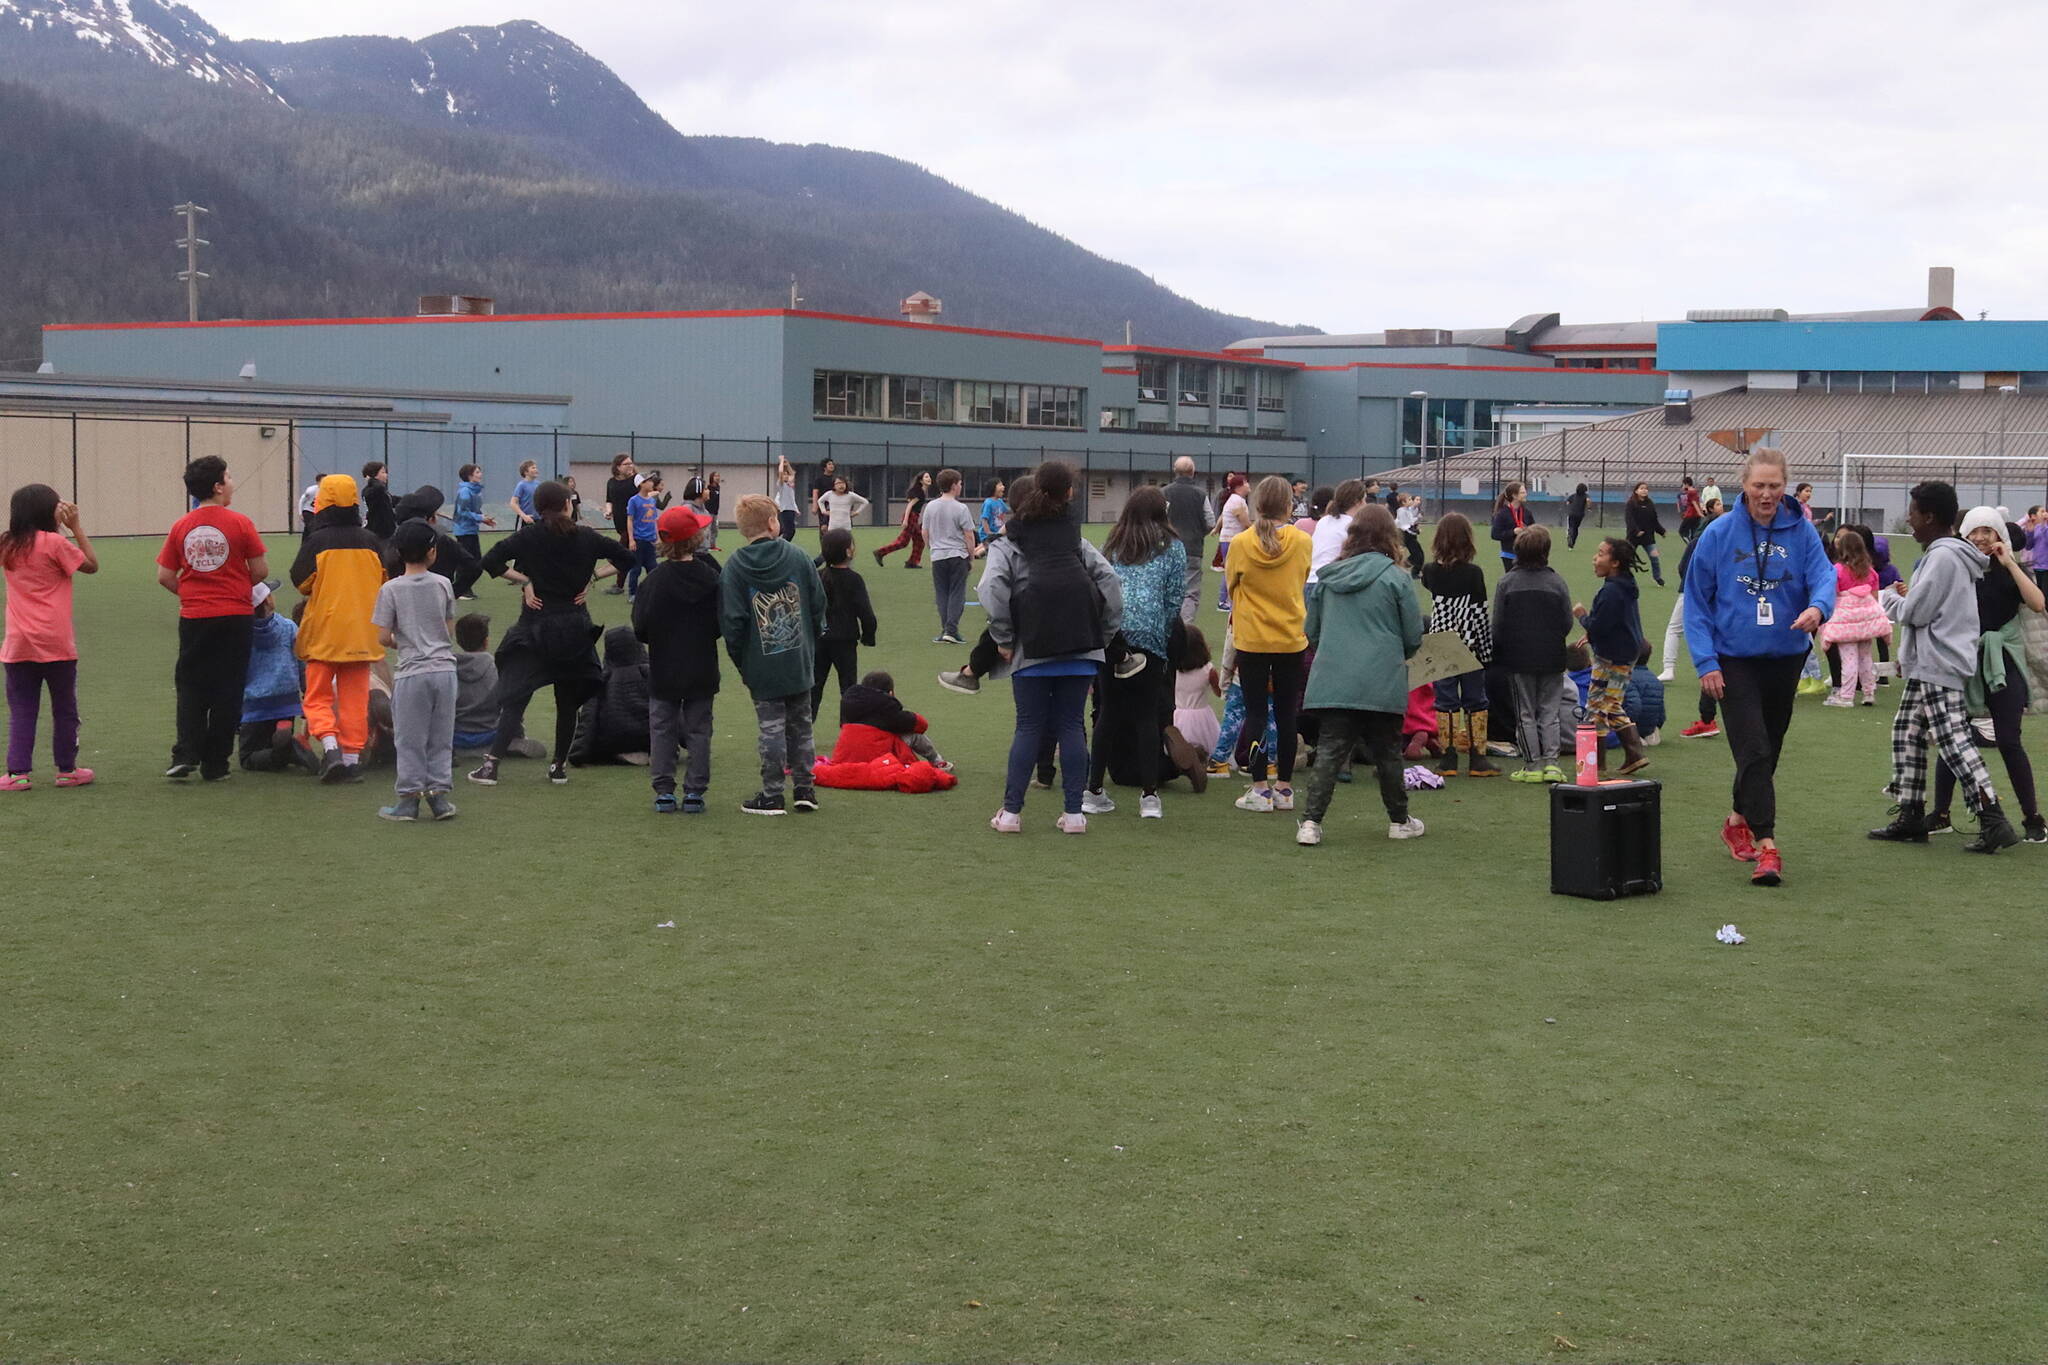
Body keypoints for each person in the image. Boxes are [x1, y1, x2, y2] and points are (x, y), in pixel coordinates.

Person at [1683, 447, 1836, 887]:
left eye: (1774, 486)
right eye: (1758, 486)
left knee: (1768, 747)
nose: (1766, 495)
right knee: (1753, 749)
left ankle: (1736, 818)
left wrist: (1818, 608)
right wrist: (1706, 661)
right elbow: (1696, 600)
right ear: (1744, 487)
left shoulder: (1802, 532)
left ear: (1785, 487)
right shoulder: (1719, 533)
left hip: (1786, 656)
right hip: (1734, 659)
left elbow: (1824, 576)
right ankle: (1768, 846)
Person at [1868, 496, 2026, 852]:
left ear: (1929, 516)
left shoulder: (1942, 556)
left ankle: (1993, 817)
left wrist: (1889, 599)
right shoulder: (1950, 555)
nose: (1908, 520)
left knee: (1954, 741)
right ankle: (1911, 813)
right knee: (1907, 731)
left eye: (1911, 513)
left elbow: (1918, 611)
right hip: (1935, 658)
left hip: (1938, 659)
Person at [981, 459, 1123, 833]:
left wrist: (1003, 637)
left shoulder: (1009, 541)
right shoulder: (1074, 537)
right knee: (1072, 725)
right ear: (1069, 494)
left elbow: (991, 588)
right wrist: (1103, 637)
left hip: (1032, 646)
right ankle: (1075, 814)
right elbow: (1110, 582)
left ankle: (1011, 814)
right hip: (1081, 644)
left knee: (1028, 726)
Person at [468, 482, 637, 786]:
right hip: (574, 628)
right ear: (568, 505)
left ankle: (491, 766)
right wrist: (593, 577)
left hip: (534, 627)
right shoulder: (585, 536)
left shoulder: (530, 535)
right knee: (568, 701)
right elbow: (627, 558)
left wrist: (526, 580)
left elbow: (490, 562)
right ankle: (558, 767)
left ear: (538, 507)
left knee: (517, 697)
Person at [1295, 505, 1426, 846]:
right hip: (1382, 677)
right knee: (1387, 753)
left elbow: (1313, 631)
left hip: (1335, 677)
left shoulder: (1329, 578)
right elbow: (1413, 635)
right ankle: (1399, 820)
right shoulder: (1396, 578)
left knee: (1329, 751)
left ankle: (1310, 822)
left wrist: (1335, 653)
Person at [1923, 510, 2046, 843]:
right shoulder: (1956, 569)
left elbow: (2037, 603)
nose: (1980, 537)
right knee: (1953, 739)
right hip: (1962, 660)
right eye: (1973, 531)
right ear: (1963, 534)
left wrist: (2009, 563)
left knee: (2009, 740)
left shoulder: (2011, 569)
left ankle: (2033, 818)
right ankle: (1941, 814)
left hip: (2003, 661)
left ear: (1999, 536)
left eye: (1987, 531)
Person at [158, 456, 270, 782]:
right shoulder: (241, 523)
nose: (232, 482)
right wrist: (234, 588)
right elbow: (260, 570)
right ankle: (216, 763)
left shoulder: (181, 526)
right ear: (219, 486)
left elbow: (165, 575)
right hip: (235, 616)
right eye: (229, 477)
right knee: (229, 687)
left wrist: (193, 593)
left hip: (194, 617)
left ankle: (185, 753)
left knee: (191, 685)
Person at [1079, 486, 1187, 821]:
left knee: (1108, 712)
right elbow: (1174, 598)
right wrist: (1162, 635)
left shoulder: (1113, 542)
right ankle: (1149, 795)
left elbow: (1096, 584)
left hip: (1113, 633)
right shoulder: (1172, 546)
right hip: (1151, 634)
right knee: (1146, 715)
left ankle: (1093, 789)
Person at [719, 494, 826, 815]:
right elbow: (818, 604)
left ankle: (772, 792)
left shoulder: (735, 567)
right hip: (798, 657)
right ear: (771, 522)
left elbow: (733, 622)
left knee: (771, 727)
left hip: (760, 662)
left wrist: (742, 662)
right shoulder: (799, 557)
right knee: (802, 724)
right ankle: (805, 788)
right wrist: (810, 640)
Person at [292, 473, 390, 785]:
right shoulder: (372, 541)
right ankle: (350, 760)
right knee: (355, 699)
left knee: (317, 696)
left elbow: (301, 582)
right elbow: (385, 581)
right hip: (363, 633)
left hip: (325, 631)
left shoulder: (317, 541)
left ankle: (331, 748)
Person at [1, 484, 98, 790]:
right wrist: (76, 528)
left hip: (18, 643)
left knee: (22, 709)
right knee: (65, 707)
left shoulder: (7, 543)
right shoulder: (55, 543)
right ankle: (66, 770)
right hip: (56, 640)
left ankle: (17, 773)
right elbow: (91, 566)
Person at [1225, 475, 1313, 813]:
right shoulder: (1302, 541)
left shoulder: (1242, 543)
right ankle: (1285, 788)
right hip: (1290, 636)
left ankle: (1260, 788)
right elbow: (1302, 577)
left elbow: (1232, 586)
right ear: (1288, 505)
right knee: (1287, 713)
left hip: (1253, 638)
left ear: (1257, 504)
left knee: (1257, 712)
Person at [633, 504, 722, 813]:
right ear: (695, 538)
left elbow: (640, 628)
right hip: (701, 664)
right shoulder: (711, 578)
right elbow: (720, 622)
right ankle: (695, 791)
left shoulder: (653, 581)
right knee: (699, 729)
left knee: (661, 728)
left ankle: (664, 790)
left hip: (663, 666)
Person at [371, 520, 459, 821]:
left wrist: (404, 642)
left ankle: (409, 799)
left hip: (412, 671)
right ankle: (439, 796)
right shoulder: (443, 584)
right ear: (432, 552)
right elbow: (448, 630)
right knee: (441, 734)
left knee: (409, 738)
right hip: (444, 670)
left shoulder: (390, 589)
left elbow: (382, 637)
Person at [1491, 524, 1572, 783]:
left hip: (1518, 657)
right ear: (1546, 551)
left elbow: (1498, 624)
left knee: (1525, 712)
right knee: (1550, 711)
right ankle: (1552, 763)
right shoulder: (1558, 582)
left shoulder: (1507, 582)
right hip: (1552, 655)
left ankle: (1532, 765)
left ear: (1517, 551)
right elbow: (1567, 622)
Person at [1422, 513, 1497, 777]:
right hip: (1469, 641)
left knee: (1445, 700)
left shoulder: (1430, 571)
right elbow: (1479, 613)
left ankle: (1448, 758)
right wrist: (1487, 652)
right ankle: (1478, 758)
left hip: (1441, 640)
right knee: (1476, 699)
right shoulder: (1474, 573)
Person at [1574, 538, 1652, 777]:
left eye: (1600, 554)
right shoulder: (1626, 585)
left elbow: (1599, 625)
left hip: (1610, 657)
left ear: (1615, 562)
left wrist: (1582, 617)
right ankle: (1630, 754)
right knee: (1607, 703)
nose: (1595, 559)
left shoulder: (1611, 591)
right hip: (1626, 653)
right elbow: (1614, 622)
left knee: (1598, 705)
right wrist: (1592, 633)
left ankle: (1598, 761)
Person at [236, 580, 314, 774]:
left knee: (248, 757)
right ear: (268, 601)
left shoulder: (240, 633)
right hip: (286, 704)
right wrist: (309, 695)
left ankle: (287, 750)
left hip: (254, 706)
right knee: (273, 750)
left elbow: (235, 673)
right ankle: (286, 743)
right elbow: (302, 663)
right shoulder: (288, 627)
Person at [1820, 526, 1890, 707]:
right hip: (1866, 624)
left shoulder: (1838, 571)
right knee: (1866, 657)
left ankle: (1846, 696)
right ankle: (1869, 693)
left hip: (1846, 624)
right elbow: (1874, 598)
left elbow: (1833, 596)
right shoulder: (1871, 572)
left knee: (1848, 659)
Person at [812, 528, 876, 719]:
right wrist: (868, 635)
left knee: (814, 685)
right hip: (845, 639)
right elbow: (865, 612)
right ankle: (848, 727)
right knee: (848, 687)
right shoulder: (854, 579)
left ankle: (803, 728)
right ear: (848, 552)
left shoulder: (817, 576)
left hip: (819, 638)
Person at [1673, 503, 1725, 738]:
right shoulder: (1734, 546)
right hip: (1726, 612)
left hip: (1702, 604)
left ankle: (1708, 719)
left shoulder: (1701, 543)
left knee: (1711, 660)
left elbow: (1683, 567)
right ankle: (1708, 718)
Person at [567, 626, 652, 767]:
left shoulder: (601, 679)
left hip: (614, 740)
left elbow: (588, 719)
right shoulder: (650, 674)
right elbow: (671, 709)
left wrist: (578, 754)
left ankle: (622, 754)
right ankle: (654, 752)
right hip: (649, 737)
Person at [836, 671, 949, 768]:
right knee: (915, 735)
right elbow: (921, 724)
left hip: (845, 757)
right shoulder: (887, 708)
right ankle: (938, 762)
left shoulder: (848, 702)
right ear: (890, 693)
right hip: (879, 760)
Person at [922, 469, 976, 644]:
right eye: (960, 483)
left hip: (938, 555)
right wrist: (971, 555)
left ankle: (946, 628)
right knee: (957, 592)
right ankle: (951, 629)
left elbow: (925, 531)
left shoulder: (931, 506)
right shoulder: (961, 508)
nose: (961, 486)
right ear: (953, 485)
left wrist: (932, 547)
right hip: (957, 554)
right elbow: (968, 534)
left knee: (942, 593)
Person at [393, 486, 480, 590]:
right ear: (430, 518)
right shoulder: (442, 540)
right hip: (439, 598)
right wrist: (453, 592)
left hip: (403, 598)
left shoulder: (395, 540)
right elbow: (474, 567)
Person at [1163, 457, 1211, 623]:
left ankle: (1167, 625)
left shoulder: (1165, 493)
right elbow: (1210, 521)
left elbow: (1158, 519)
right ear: (1192, 472)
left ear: (1175, 471)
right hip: (1193, 548)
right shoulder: (1201, 494)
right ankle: (1185, 627)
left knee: (1167, 588)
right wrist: (1199, 533)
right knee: (1190, 592)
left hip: (1167, 547)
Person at [1172, 623, 1222, 762]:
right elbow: (1219, 692)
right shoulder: (1208, 670)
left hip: (1177, 714)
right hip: (1202, 716)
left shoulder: (1172, 669)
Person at [1309, 479, 1366, 595]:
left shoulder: (1324, 520)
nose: (1366, 505)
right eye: (1364, 500)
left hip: (1310, 581)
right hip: (1328, 584)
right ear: (1357, 502)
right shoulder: (1352, 525)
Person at [450, 464, 495, 600]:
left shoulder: (475, 491)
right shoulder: (465, 492)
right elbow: (462, 512)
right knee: (467, 562)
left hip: (471, 530)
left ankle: (463, 589)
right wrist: (480, 518)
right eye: (477, 472)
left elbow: (474, 511)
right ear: (470, 476)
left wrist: (484, 519)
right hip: (464, 531)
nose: (480, 474)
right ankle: (460, 591)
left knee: (475, 563)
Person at [1212, 472, 1251, 611]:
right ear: (1239, 486)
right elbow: (1245, 523)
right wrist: (1259, 531)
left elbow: (1223, 516)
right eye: (1246, 482)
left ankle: (1227, 600)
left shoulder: (1234, 499)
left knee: (1231, 569)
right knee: (1231, 570)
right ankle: (1224, 601)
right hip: (1232, 540)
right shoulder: (1237, 501)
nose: (1248, 485)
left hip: (1229, 539)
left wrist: (1216, 528)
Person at [874, 471, 930, 568]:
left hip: (914, 517)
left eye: (929, 477)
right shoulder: (919, 492)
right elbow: (910, 505)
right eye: (926, 477)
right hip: (911, 516)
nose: (929, 478)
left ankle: (912, 562)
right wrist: (905, 520)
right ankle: (880, 552)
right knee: (903, 542)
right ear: (921, 480)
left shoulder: (922, 491)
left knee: (919, 539)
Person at [602, 452, 638, 592]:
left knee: (619, 554)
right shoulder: (611, 482)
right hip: (619, 524)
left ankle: (619, 585)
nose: (630, 466)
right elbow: (609, 500)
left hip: (633, 525)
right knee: (628, 556)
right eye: (626, 464)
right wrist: (608, 510)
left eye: (631, 463)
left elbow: (649, 493)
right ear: (617, 467)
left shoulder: (637, 480)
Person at [1624, 481, 1668, 586]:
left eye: (1646, 488)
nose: (1644, 490)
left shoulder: (1650, 504)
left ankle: (1657, 578)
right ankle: (1624, 578)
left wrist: (1661, 531)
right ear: (1636, 491)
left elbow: (1654, 520)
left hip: (1648, 538)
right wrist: (1636, 531)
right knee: (1627, 558)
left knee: (1655, 558)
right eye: (1641, 488)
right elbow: (1629, 519)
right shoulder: (1631, 503)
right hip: (1633, 537)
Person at [625, 474, 661, 599]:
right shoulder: (633, 500)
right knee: (636, 568)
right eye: (649, 481)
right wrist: (631, 539)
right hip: (639, 540)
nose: (652, 483)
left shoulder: (652, 501)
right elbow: (630, 520)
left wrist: (657, 537)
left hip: (650, 540)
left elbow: (654, 520)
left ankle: (654, 592)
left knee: (653, 568)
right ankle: (633, 593)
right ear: (641, 484)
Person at [1490, 481, 1530, 565]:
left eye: (1525, 492)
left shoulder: (1526, 512)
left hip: (1525, 554)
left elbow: (1534, 530)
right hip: (1509, 555)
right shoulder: (1502, 514)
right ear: (1514, 495)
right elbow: (1495, 534)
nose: (1526, 494)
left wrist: (1527, 530)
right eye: (1522, 492)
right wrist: (1513, 532)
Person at [361, 460, 396, 541]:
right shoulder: (370, 491)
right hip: (376, 533)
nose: (386, 475)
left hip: (386, 533)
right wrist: (372, 480)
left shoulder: (382, 491)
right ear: (374, 475)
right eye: (383, 472)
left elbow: (391, 500)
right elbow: (378, 489)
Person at [508, 460, 542, 529]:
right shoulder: (521, 485)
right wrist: (524, 516)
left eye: (536, 468)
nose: (536, 470)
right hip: (526, 521)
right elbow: (513, 503)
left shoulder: (539, 484)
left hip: (539, 520)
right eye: (533, 468)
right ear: (526, 472)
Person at [774, 456, 801, 541]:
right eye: (784, 475)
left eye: (787, 474)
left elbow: (792, 473)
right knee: (788, 531)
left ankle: (782, 544)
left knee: (791, 531)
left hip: (791, 510)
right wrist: (781, 461)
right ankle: (782, 545)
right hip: (785, 510)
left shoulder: (790, 485)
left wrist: (788, 463)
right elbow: (781, 471)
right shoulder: (781, 485)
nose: (786, 476)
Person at [809, 458, 840, 528]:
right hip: (823, 504)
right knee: (823, 524)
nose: (832, 466)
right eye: (829, 464)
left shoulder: (836, 479)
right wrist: (815, 506)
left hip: (835, 504)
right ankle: (824, 538)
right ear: (824, 467)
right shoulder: (819, 479)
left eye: (832, 464)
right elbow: (815, 492)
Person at [978, 479, 1010, 548]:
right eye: (1000, 485)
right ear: (993, 488)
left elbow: (1008, 511)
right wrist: (988, 532)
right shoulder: (988, 503)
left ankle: (977, 553)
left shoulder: (1000, 501)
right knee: (992, 551)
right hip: (989, 535)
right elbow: (984, 519)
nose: (1003, 487)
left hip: (997, 533)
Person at [1564, 483, 1590, 550]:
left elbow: (1567, 503)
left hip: (1572, 514)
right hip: (1580, 515)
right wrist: (1589, 508)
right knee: (1576, 528)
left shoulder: (1573, 495)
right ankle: (1572, 543)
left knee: (1571, 527)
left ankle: (1570, 535)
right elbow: (1588, 501)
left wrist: (1569, 502)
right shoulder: (1586, 496)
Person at [1677, 476, 1702, 543]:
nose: (1683, 486)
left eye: (1683, 484)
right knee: (1694, 533)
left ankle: (1691, 547)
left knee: (1682, 532)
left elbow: (1694, 503)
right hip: (1696, 516)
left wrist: (1700, 513)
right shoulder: (1695, 491)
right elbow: (1698, 502)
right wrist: (1700, 512)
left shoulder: (1690, 492)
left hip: (1690, 515)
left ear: (1687, 484)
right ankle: (1695, 547)